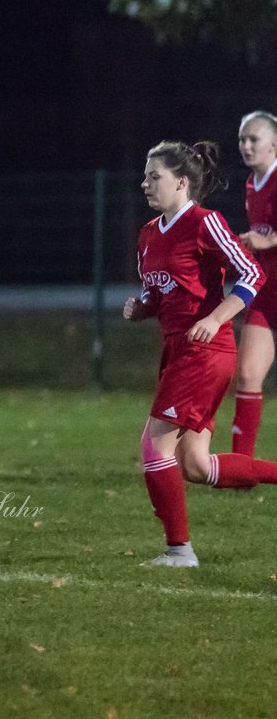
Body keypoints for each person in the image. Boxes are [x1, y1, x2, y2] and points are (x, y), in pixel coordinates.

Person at [121, 139, 277, 568]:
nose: (145, 184)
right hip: (176, 350)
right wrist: (142, 308)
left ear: (182, 182)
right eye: (145, 176)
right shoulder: (149, 235)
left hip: (206, 351)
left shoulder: (205, 222)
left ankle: (179, 551)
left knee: (154, 447)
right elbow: (159, 293)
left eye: (155, 177)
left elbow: (251, 273)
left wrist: (216, 317)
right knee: (195, 465)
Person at [229, 111, 277, 457]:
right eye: (243, 139)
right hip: (267, 290)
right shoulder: (251, 182)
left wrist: (270, 241)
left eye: (253, 139)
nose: (246, 146)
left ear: (273, 144)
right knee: (246, 374)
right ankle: (240, 467)